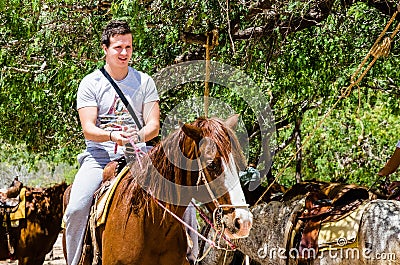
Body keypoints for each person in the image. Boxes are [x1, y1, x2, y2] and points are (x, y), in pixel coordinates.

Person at [64, 20, 160, 265]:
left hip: (140, 156)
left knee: (184, 202)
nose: (124, 53)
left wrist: (136, 137)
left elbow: (153, 125)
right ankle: (74, 261)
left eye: (128, 47)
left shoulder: (145, 82)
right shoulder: (90, 84)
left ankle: (192, 255)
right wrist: (111, 136)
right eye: (118, 47)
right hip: (100, 157)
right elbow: (88, 129)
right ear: (105, 48)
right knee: (76, 208)